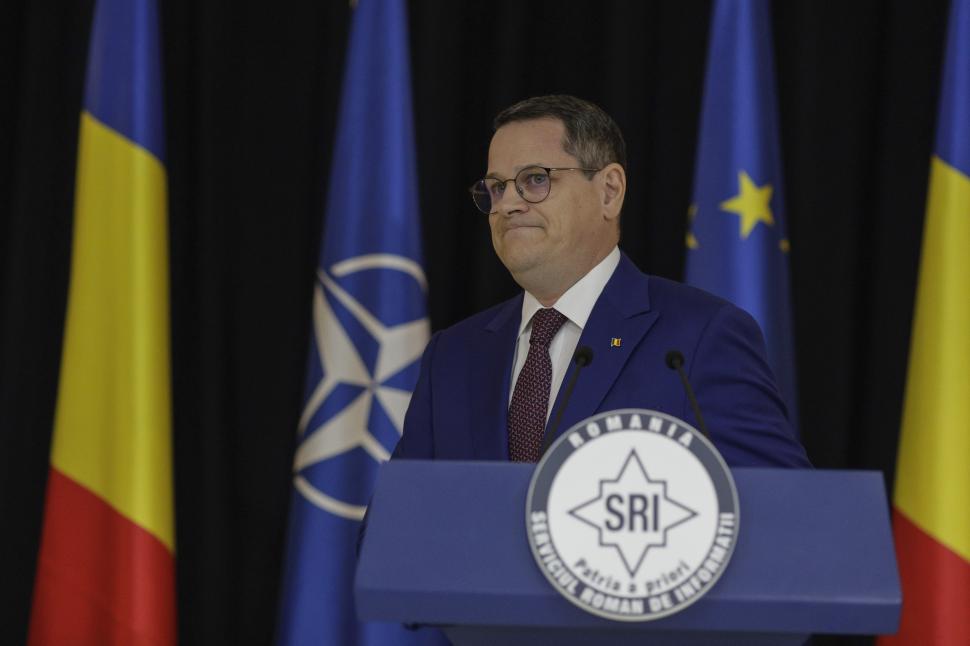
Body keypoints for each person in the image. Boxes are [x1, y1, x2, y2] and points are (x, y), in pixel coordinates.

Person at [392, 95, 810, 468]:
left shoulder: (700, 337)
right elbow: (397, 519)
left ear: (609, 191)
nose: (508, 205)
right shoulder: (453, 355)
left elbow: (781, 504)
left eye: (535, 179)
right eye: (497, 187)